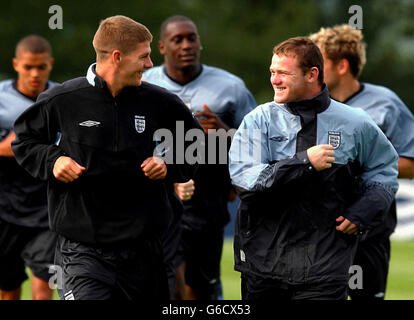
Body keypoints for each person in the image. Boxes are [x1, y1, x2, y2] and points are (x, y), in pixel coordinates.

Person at [11, 15, 200, 300]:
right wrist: (53, 160)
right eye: (144, 56)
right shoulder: (63, 99)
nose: (150, 64)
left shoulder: (160, 101)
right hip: (82, 252)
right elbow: (25, 141)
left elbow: (196, 145)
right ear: (117, 56)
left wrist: (169, 165)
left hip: (144, 252)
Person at [228, 37, 399, 300]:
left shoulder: (355, 123)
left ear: (312, 74)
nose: (274, 80)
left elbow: (384, 170)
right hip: (261, 265)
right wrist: (304, 162)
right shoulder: (258, 120)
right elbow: (246, 183)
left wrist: (363, 212)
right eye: (272, 72)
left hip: (326, 268)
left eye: (283, 73)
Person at [143, 15, 256, 299]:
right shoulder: (143, 83)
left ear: (200, 43)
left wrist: (226, 132)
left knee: (200, 290)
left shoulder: (231, 87)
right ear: (162, 47)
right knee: (169, 284)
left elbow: (257, 143)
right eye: (177, 39)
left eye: (191, 38)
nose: (186, 45)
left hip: (209, 202)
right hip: (157, 200)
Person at [309, 24, 414, 300]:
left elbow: (410, 163)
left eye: (319, 62)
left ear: (342, 65)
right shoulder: (307, 103)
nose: (312, 70)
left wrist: (358, 165)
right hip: (316, 231)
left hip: (369, 231)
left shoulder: (385, 104)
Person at [0, 35, 57, 300]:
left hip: (47, 208)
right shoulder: (1, 99)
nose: (35, 74)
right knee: (8, 289)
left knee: (42, 285)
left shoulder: (62, 98)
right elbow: (9, 147)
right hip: (6, 208)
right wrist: (10, 147)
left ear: (50, 64)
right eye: (28, 67)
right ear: (16, 64)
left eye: (41, 67)